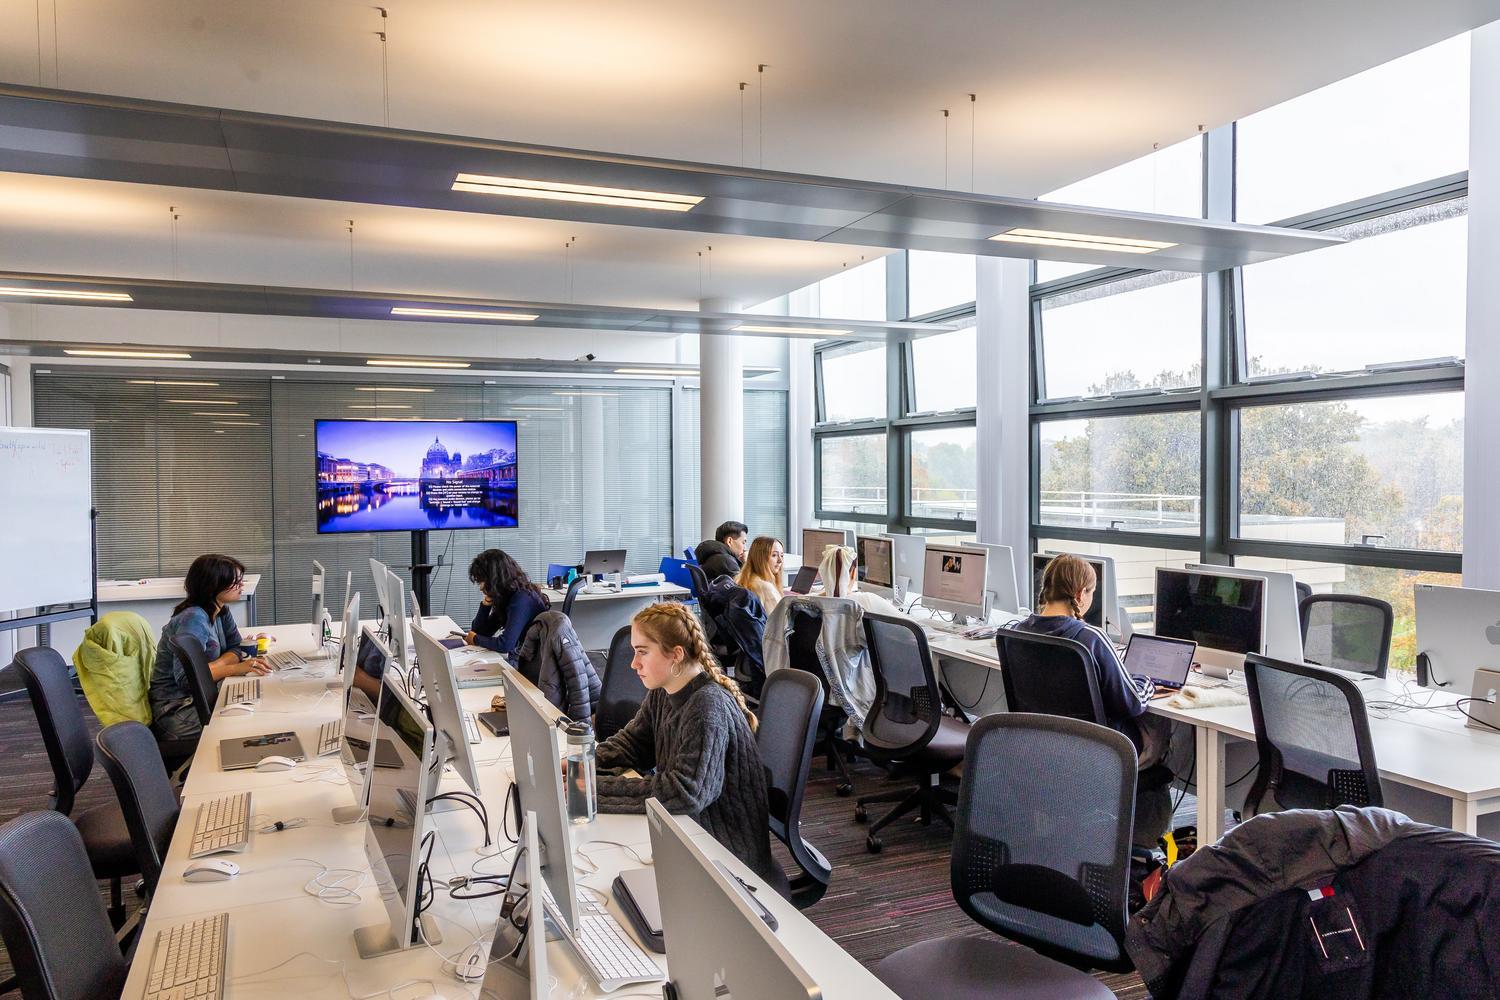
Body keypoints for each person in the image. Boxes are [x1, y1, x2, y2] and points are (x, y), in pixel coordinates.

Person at [595, 602, 776, 885]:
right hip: (689, 832)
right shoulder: (664, 691)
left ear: (676, 655)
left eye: (642, 652)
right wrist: (580, 765)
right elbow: (632, 745)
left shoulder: (707, 708)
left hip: (727, 856)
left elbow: (685, 792)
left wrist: (593, 793)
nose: (633, 663)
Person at [1014, 553, 1172, 848]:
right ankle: (1144, 841)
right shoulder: (1091, 638)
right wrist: (1146, 682)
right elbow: (1131, 703)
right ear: (1079, 594)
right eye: (1091, 592)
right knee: (1160, 730)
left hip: (1043, 745)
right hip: (1095, 748)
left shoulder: (1018, 631)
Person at [149, 554, 268, 740]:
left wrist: (216, 666)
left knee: (258, 705)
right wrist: (234, 668)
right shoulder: (194, 618)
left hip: (202, 698)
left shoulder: (220, 610)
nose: (241, 586)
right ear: (214, 585)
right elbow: (187, 679)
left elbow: (237, 647)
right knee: (252, 723)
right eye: (235, 582)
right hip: (178, 711)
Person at [465, 549, 550, 656]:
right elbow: (479, 632)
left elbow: (505, 644)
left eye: (483, 581)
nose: (481, 587)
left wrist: (476, 639)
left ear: (495, 579)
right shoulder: (507, 596)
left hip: (529, 663)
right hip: (522, 655)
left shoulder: (521, 599)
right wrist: (485, 605)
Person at [816, 543, 903, 617]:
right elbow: (910, 627)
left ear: (823, 571)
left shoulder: (808, 602)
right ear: (853, 573)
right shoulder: (868, 600)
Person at [734, 536, 785, 613]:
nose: (780, 560)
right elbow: (782, 622)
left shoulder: (739, 579)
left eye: (781, 555)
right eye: (774, 555)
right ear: (760, 558)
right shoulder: (766, 587)